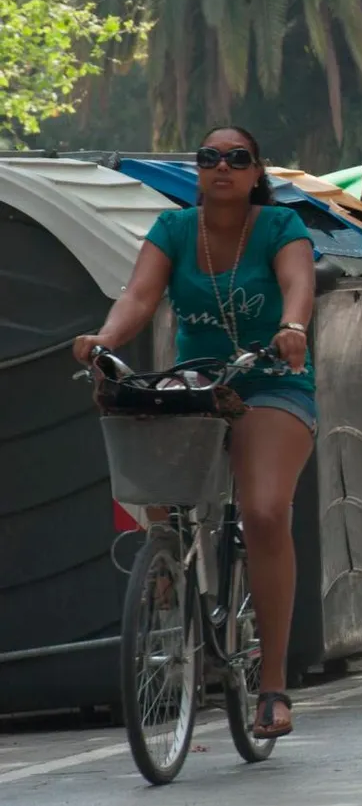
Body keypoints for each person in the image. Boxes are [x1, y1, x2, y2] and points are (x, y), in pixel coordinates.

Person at [75, 126, 316, 741]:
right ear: (198, 171)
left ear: (256, 171)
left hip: (268, 382)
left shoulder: (280, 228)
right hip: (200, 380)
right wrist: (105, 340)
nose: (222, 168)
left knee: (263, 513)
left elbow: (298, 286)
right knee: (148, 425)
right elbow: (138, 296)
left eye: (237, 159)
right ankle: (169, 559)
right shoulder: (175, 230)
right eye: (209, 158)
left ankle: (273, 686)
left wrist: (292, 326)